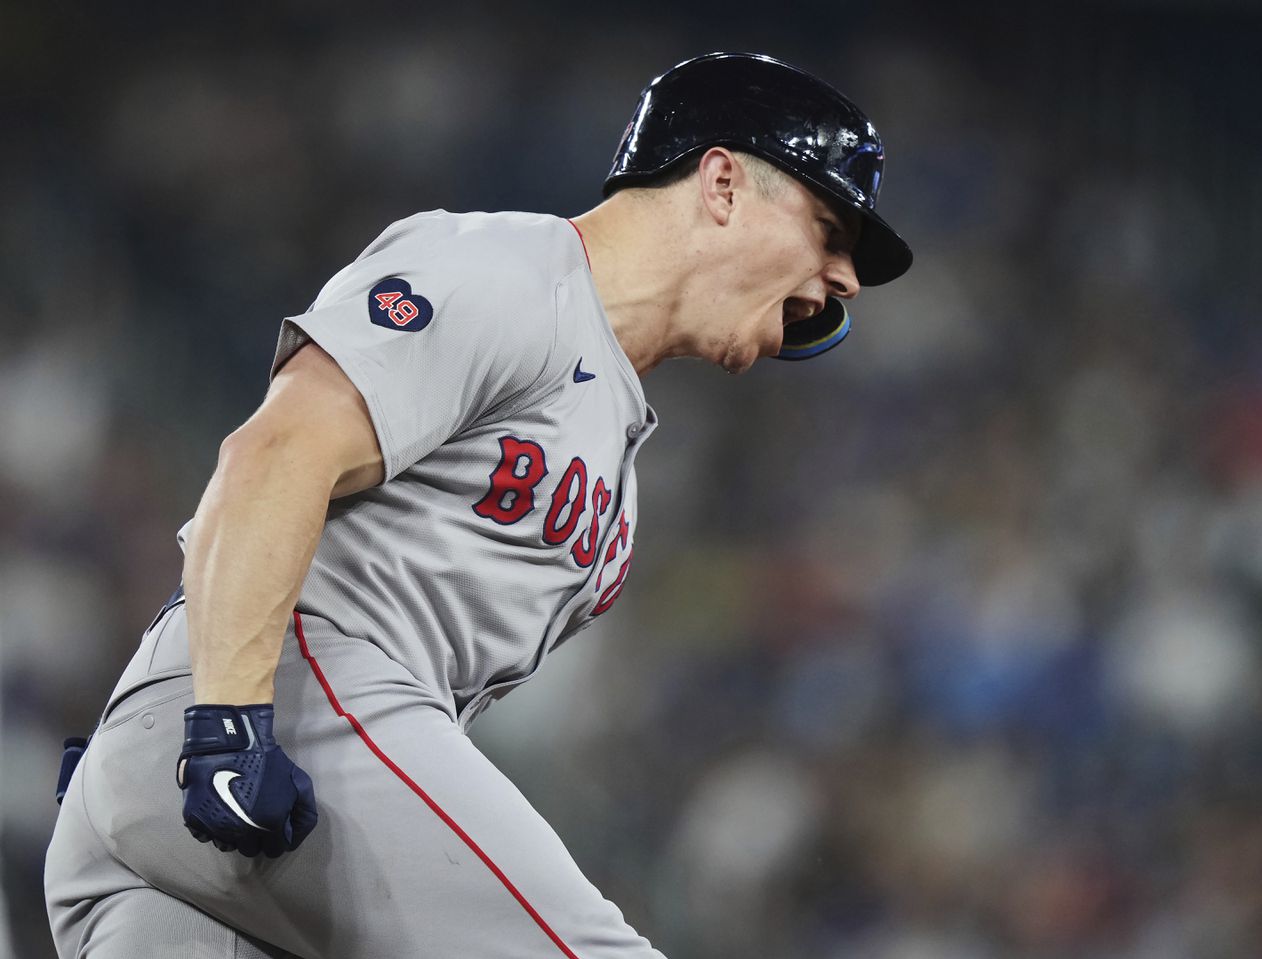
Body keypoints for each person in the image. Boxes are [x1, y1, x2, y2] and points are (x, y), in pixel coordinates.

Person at [44, 52, 912, 959]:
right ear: (723, 183)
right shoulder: (512, 271)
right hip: (280, 704)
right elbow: (272, 455)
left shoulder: (616, 458)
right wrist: (223, 719)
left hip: (224, 769)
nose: (845, 276)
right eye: (827, 226)